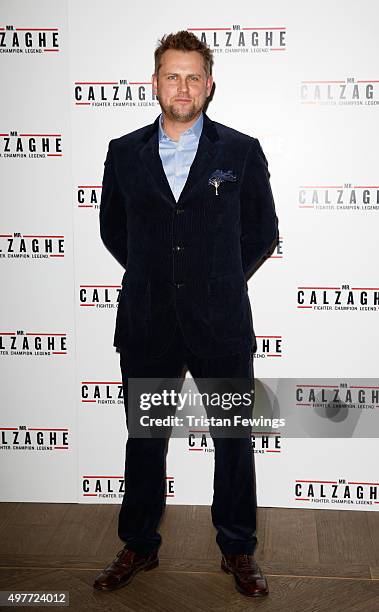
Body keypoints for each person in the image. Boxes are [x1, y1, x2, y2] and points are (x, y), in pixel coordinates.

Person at [94, 30, 278, 598]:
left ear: (209, 84)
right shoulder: (124, 152)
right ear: (154, 82)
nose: (182, 86)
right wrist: (160, 280)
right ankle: (138, 545)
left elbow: (262, 232)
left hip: (220, 323)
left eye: (193, 76)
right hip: (148, 323)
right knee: (145, 439)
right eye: (172, 76)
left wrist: (214, 281)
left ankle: (238, 550)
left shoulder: (240, 151)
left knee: (232, 439)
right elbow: (113, 229)